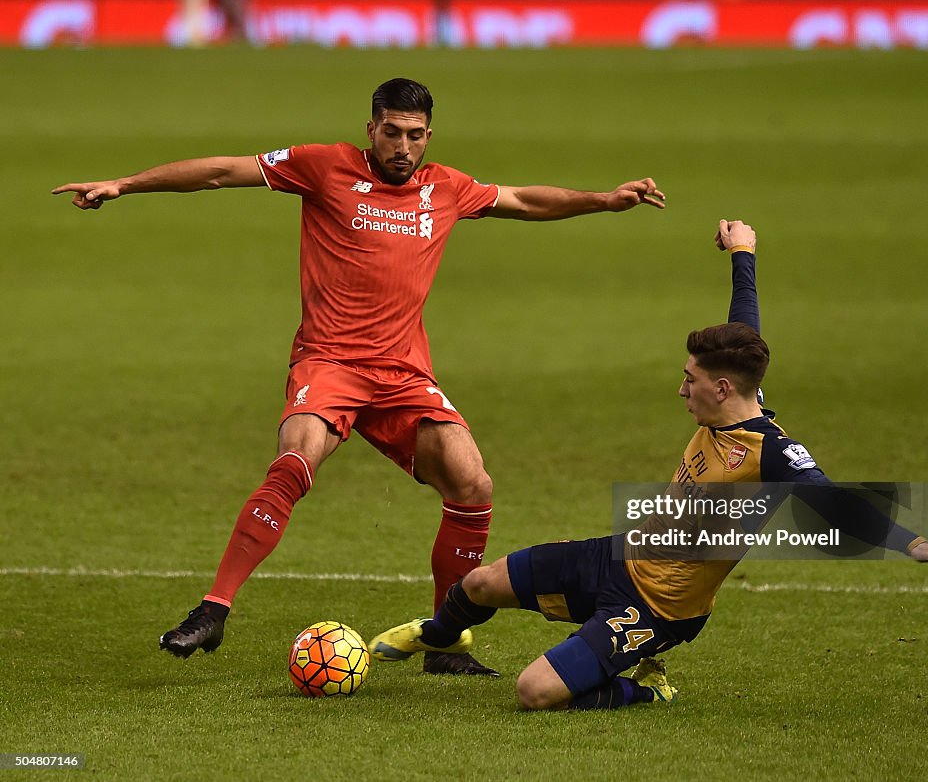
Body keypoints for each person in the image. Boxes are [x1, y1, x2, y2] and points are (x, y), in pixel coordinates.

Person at [52, 78, 665, 676]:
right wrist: (124, 185)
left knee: (473, 483)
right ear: (371, 129)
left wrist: (603, 200)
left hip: (402, 373)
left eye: (415, 135)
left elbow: (525, 201)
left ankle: (445, 641)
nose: (403, 146)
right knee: (296, 461)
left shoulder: (446, 188)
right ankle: (214, 609)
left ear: (429, 136)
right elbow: (220, 171)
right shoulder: (323, 167)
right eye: (392, 132)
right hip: (330, 362)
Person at [368, 218, 928, 708]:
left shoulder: (770, 454)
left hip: (658, 608)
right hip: (618, 555)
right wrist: (743, 253)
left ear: (721, 389)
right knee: (479, 584)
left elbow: (836, 503)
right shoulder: (739, 393)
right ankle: (438, 637)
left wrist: (913, 542)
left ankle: (646, 688)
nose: (680, 389)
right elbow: (745, 325)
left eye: (690, 380)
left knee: (534, 692)